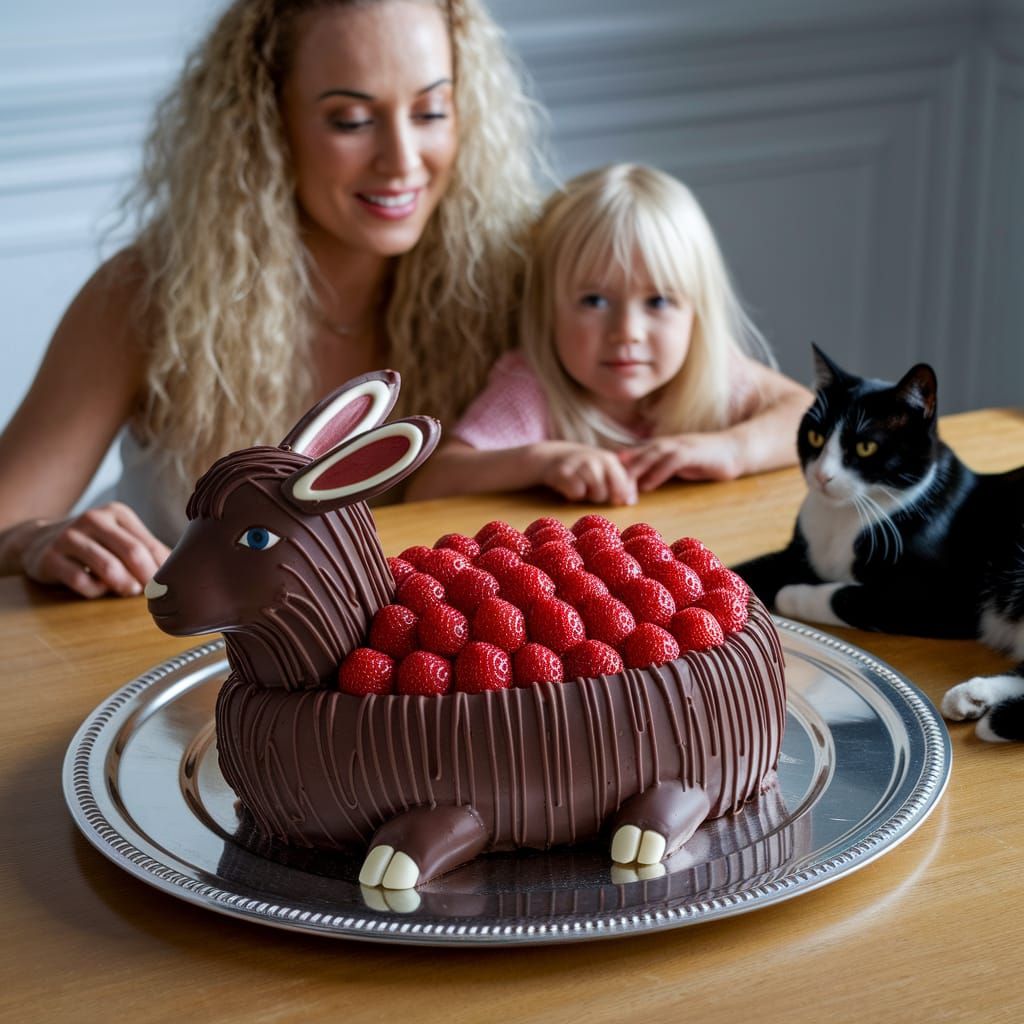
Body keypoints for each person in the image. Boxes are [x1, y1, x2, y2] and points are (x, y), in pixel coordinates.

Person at [0, 0, 539, 598]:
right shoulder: (145, 294)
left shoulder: (512, 280)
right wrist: (35, 541)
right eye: (351, 121)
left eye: (431, 111)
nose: (403, 160)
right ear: (265, 124)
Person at [406, 163, 812, 506]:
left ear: (696, 312)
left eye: (658, 301)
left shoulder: (712, 374)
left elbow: (809, 415)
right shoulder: (531, 390)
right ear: (548, 311)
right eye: (594, 301)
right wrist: (542, 462)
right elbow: (431, 485)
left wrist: (734, 449)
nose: (626, 332)